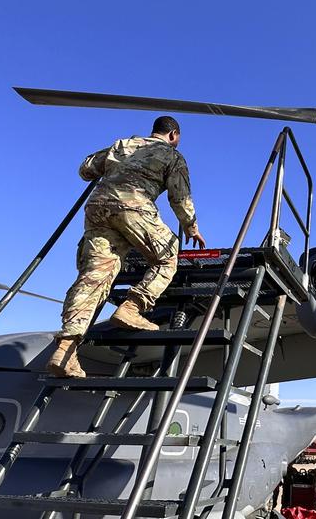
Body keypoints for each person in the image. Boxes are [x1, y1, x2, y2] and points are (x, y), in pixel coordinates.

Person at [47, 116, 206, 378]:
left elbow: (86, 169)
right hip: (134, 207)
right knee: (167, 256)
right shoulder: (172, 155)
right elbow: (180, 197)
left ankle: (65, 352)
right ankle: (132, 308)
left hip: (98, 209)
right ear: (174, 135)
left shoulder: (122, 144)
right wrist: (191, 228)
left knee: (93, 277)